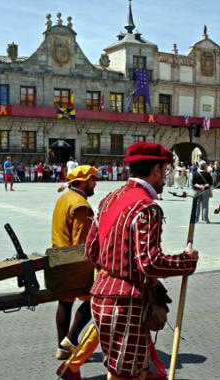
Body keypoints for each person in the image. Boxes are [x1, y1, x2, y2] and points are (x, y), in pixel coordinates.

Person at [85, 142, 199, 379]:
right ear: (156, 169)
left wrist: (114, 268)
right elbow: (150, 263)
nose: (165, 177)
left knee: (126, 371)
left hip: (100, 298)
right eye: (165, 171)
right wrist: (187, 261)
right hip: (126, 305)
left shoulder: (109, 199)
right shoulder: (146, 208)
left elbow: (91, 251)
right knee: (128, 374)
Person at [52, 165, 99, 379]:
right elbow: (82, 243)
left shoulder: (64, 198)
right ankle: (70, 339)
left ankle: (62, 347)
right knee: (95, 299)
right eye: (92, 180)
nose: (94, 183)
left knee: (65, 301)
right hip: (74, 261)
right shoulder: (81, 205)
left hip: (59, 257)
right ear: (83, 181)